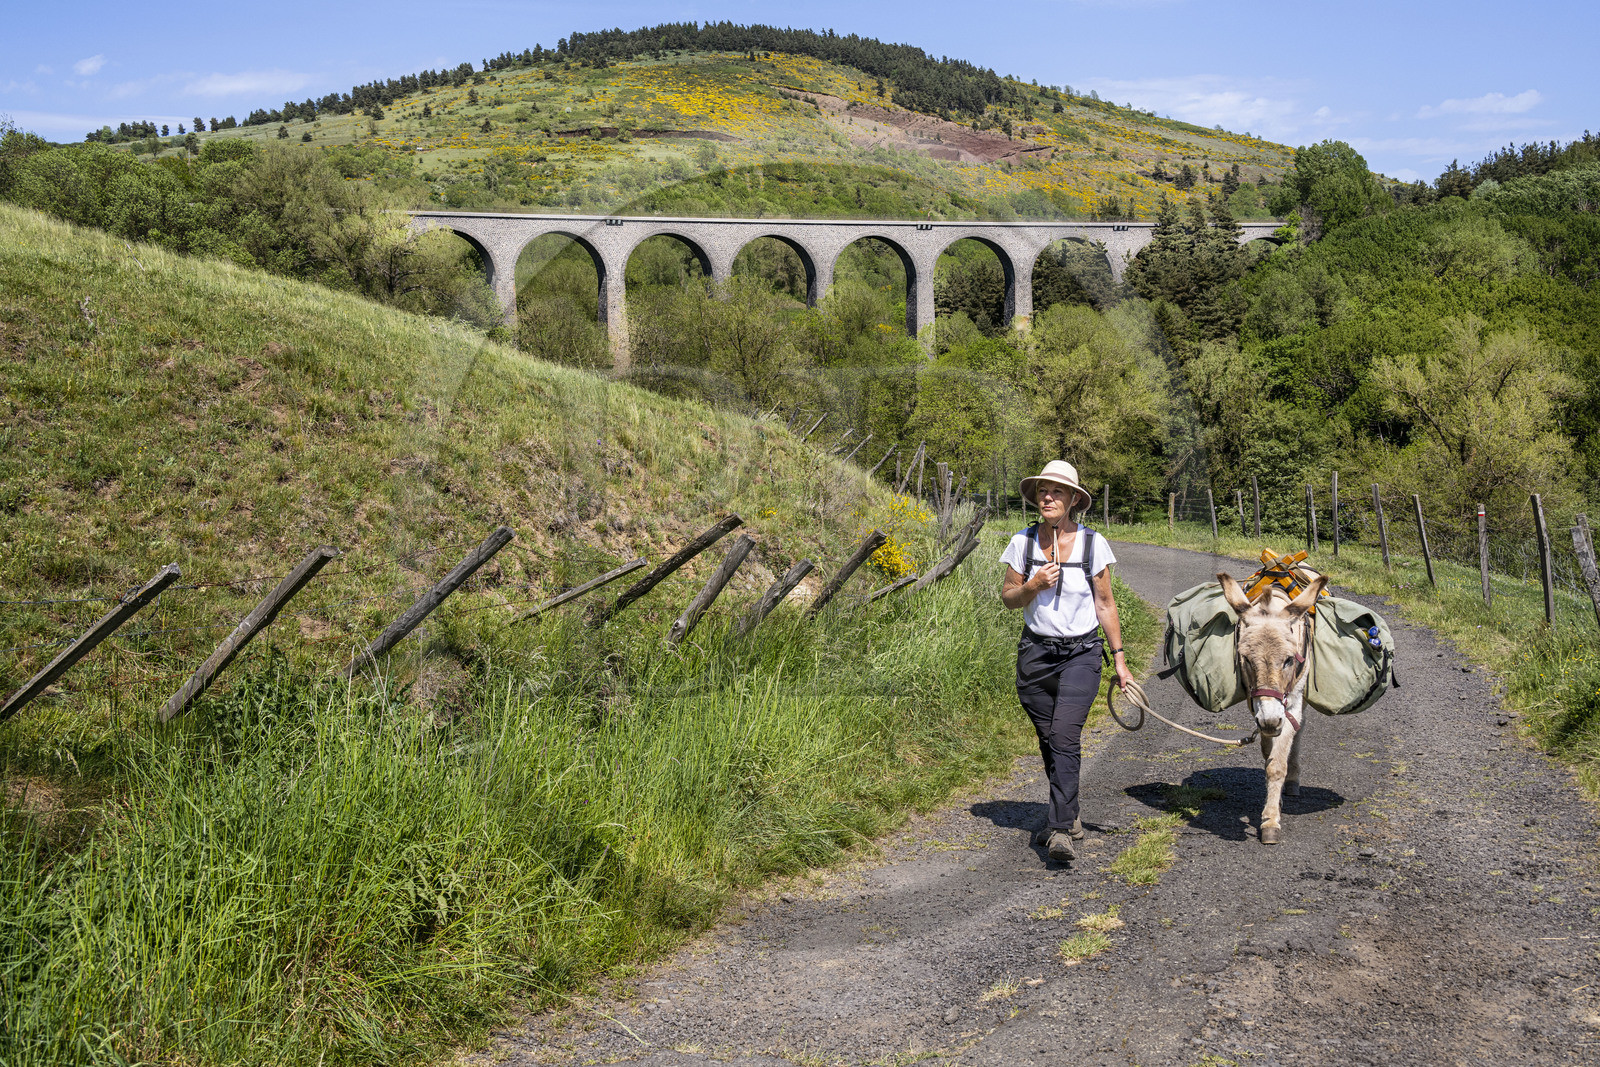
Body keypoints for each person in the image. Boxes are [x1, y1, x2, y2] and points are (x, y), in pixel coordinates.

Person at [1000, 460, 1133, 864]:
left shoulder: (1094, 545)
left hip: (1081, 653)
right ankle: (1070, 815)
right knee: (1049, 740)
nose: (1048, 496)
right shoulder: (1021, 544)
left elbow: (1105, 604)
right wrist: (1032, 585)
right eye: (1043, 490)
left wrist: (1121, 661)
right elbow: (1008, 598)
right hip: (1035, 656)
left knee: (1064, 737)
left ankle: (1060, 830)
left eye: (1057, 491)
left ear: (1074, 499)